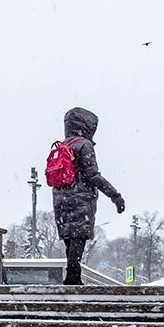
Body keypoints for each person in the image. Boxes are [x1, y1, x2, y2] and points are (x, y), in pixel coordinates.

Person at [52, 107, 126, 285]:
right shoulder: (84, 145)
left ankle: (73, 275)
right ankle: (72, 277)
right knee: (78, 237)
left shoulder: (64, 146)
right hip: (80, 198)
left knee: (70, 239)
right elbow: (93, 175)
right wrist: (115, 195)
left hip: (60, 197)